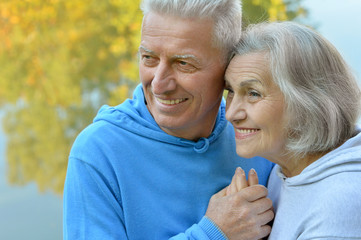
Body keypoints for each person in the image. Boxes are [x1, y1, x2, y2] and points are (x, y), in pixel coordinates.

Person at [63, 0, 275, 239]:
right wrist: (214, 233)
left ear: (229, 67)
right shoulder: (98, 152)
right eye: (149, 58)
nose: (159, 85)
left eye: (184, 63)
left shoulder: (264, 135)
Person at [224, 21, 361, 239]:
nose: (231, 113)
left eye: (253, 93)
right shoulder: (286, 172)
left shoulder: (340, 203)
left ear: (308, 101)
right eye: (230, 90)